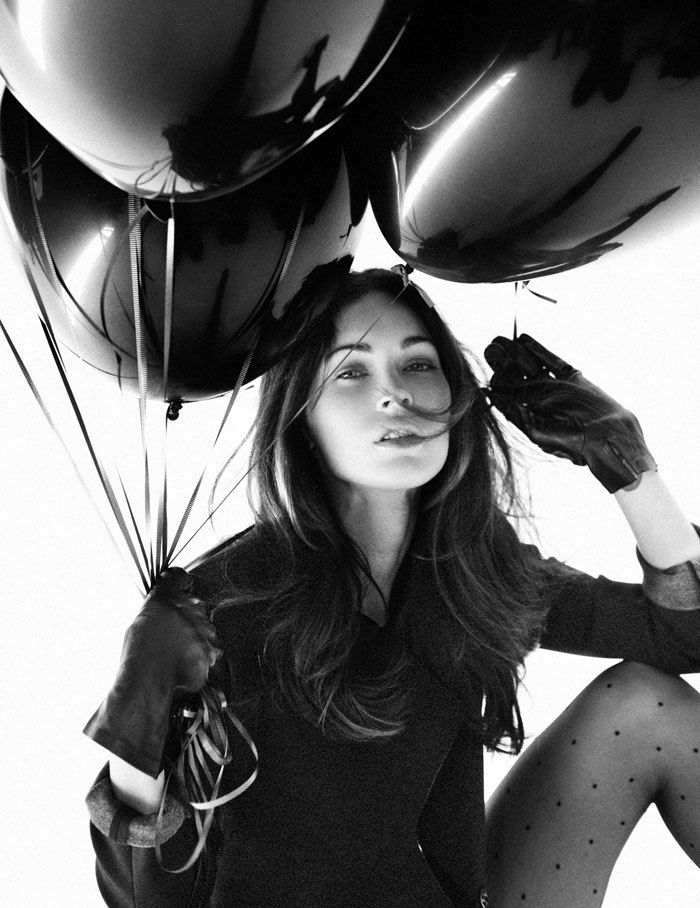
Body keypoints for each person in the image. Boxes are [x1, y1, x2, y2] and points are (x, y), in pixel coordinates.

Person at [83, 267, 700, 907]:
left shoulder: (470, 570)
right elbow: (149, 900)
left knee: (643, 705)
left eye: (419, 365)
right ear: (302, 417)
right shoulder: (229, 600)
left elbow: (683, 634)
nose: (394, 395)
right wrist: (136, 731)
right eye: (352, 372)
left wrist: (631, 471)